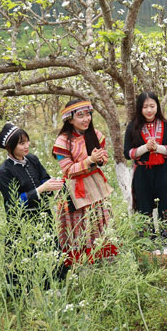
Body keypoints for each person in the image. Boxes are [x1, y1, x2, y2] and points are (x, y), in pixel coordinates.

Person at [0, 123, 67, 294]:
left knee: (50, 252)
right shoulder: (3, 172)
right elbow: (15, 203)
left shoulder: (32, 159)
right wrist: (42, 189)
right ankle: (27, 296)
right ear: (9, 147)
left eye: (27, 141)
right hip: (22, 222)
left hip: (43, 216)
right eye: (21, 143)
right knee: (26, 256)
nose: (26, 146)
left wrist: (55, 185)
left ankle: (52, 290)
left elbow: (44, 178)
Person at [52, 99, 118, 265]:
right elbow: (67, 170)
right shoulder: (62, 142)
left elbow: (100, 161)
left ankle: (104, 261)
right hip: (76, 190)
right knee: (79, 227)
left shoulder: (95, 135)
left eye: (87, 114)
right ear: (70, 119)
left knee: (101, 223)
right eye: (80, 116)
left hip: (96, 187)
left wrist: (101, 160)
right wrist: (89, 161)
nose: (86, 119)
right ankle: (82, 266)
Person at [124, 91, 167, 255]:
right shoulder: (132, 127)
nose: (149, 110)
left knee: (165, 205)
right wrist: (145, 148)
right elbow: (127, 153)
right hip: (142, 171)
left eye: (152, 106)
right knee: (144, 206)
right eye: (145, 107)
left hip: (163, 170)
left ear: (157, 106)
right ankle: (149, 241)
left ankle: (166, 240)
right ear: (139, 108)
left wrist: (158, 148)